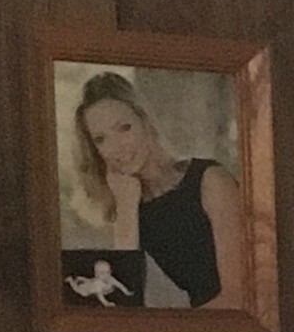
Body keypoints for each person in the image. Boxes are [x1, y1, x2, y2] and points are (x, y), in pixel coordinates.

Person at [64, 72, 250, 311]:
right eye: (101, 139)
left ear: (145, 121)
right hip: (196, 326)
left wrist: (174, 331)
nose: (117, 147)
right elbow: (123, 306)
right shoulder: (129, 207)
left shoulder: (209, 180)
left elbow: (240, 298)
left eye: (124, 128)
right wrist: (126, 207)